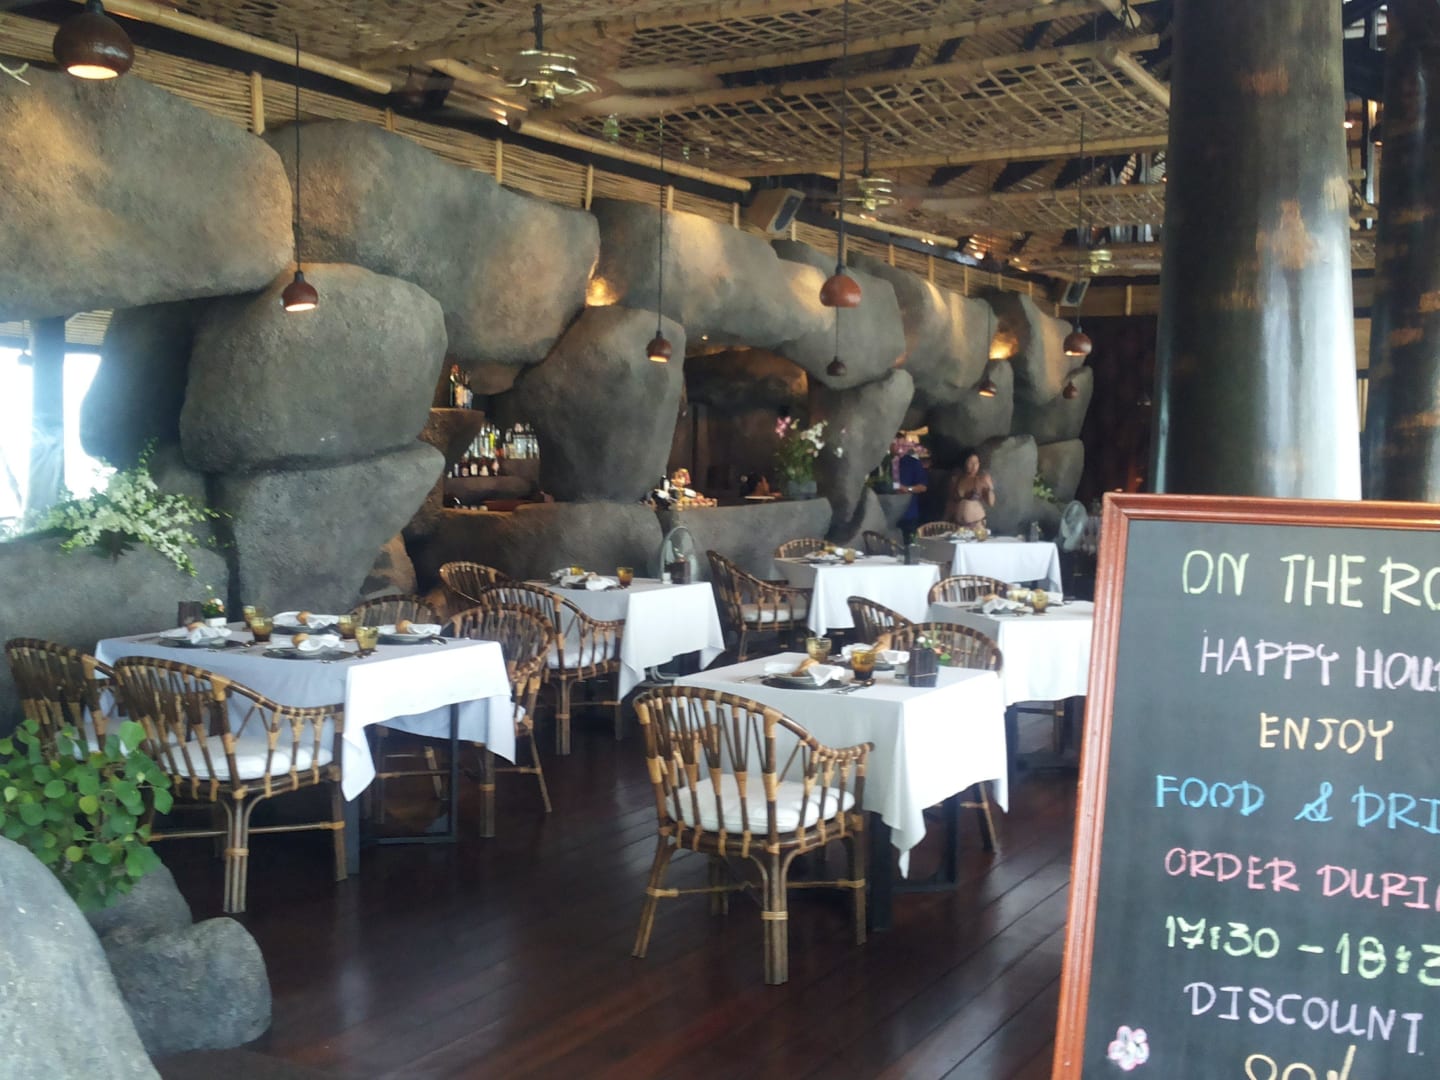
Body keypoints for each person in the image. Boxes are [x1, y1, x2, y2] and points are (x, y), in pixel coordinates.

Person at [891, 435, 928, 538]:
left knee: (909, 543)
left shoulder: (913, 462)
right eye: (895, 444)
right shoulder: (885, 463)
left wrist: (908, 489)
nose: (899, 447)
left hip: (908, 514)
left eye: (902, 444)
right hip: (886, 513)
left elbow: (923, 487)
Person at [946, 450, 995, 527]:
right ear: (964, 463)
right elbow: (951, 503)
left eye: (976, 462)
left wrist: (990, 487)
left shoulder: (981, 480)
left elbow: (991, 503)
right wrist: (946, 520)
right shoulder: (956, 480)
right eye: (970, 462)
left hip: (977, 524)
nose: (974, 466)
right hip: (958, 524)